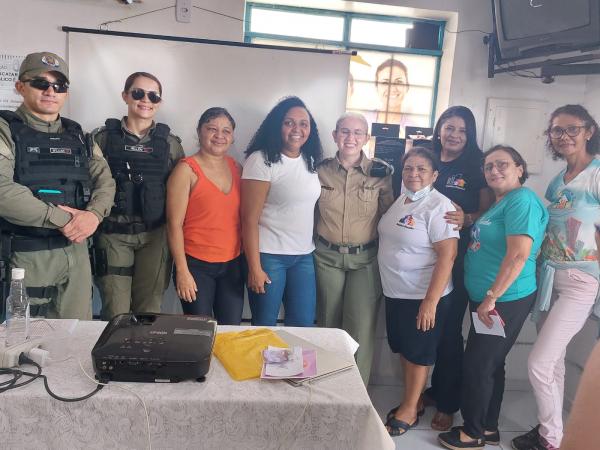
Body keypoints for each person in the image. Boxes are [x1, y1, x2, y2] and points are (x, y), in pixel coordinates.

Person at [438, 145, 548, 450]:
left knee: (477, 364)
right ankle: (488, 427)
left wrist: (491, 297)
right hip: (488, 298)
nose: (494, 171)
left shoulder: (522, 201)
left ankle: (471, 433)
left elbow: (518, 255)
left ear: (520, 168)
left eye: (502, 165)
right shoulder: (502, 202)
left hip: (504, 299)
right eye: (488, 167)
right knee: (491, 364)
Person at [0, 51, 115, 319]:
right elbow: (2, 190)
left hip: (76, 252)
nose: (51, 91)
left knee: (78, 335)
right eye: (41, 83)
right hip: (27, 254)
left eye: (59, 86)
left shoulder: (80, 135)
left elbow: (105, 182)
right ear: (20, 87)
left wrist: (94, 216)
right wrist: (64, 219)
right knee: (23, 345)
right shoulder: (5, 130)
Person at [511, 105, 600, 450]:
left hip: (580, 280)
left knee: (539, 362)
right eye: (556, 131)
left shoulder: (595, 174)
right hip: (548, 275)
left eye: (571, 129)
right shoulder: (557, 179)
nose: (563, 137)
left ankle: (551, 440)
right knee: (555, 362)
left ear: (589, 131)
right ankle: (553, 431)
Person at [421, 106, 494, 431]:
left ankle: (448, 403)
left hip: (457, 262)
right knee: (423, 329)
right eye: (449, 128)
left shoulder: (476, 167)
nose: (454, 135)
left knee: (448, 332)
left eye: (462, 131)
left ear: (470, 136)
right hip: (419, 262)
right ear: (439, 129)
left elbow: (489, 210)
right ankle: (427, 391)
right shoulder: (426, 159)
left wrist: (469, 218)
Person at [378, 147, 459, 436]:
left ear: (434, 175)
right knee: (404, 348)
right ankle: (414, 401)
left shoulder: (439, 206)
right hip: (397, 292)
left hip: (422, 296)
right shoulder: (403, 199)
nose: (414, 174)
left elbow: (447, 256)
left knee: (419, 354)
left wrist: (430, 302)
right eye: (409, 168)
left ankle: (410, 411)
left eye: (421, 169)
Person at [92, 72, 184, 320]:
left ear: (159, 102)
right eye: (138, 93)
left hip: (155, 237)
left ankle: (145, 358)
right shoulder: (101, 138)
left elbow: (181, 193)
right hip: (113, 235)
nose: (146, 100)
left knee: (150, 312)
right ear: (125, 96)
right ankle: (114, 359)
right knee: (116, 313)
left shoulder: (171, 144)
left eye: (153, 95)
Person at [314, 112, 394, 384]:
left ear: (366, 138)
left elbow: (389, 215)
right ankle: (327, 384)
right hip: (326, 257)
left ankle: (356, 391)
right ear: (335, 135)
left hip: (365, 259)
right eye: (345, 131)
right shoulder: (318, 170)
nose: (351, 138)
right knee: (327, 323)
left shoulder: (381, 173)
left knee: (360, 327)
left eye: (357, 132)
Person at [241, 96, 322, 326]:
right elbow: (248, 220)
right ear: (277, 126)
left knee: (304, 326)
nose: (297, 129)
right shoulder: (261, 160)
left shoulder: (311, 160)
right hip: (269, 257)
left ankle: (294, 365)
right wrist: (254, 267)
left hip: (304, 256)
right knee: (265, 326)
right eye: (289, 122)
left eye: (303, 124)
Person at [166, 107, 244, 324]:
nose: (219, 135)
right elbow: (173, 225)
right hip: (196, 267)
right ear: (199, 132)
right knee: (199, 333)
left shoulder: (237, 168)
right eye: (212, 129)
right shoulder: (186, 170)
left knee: (231, 332)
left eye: (226, 131)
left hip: (232, 265)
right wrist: (182, 271)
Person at [375, 58, 409, 126]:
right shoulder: (363, 121)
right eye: (385, 83)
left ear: (407, 87)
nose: (392, 89)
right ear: (376, 87)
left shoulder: (413, 127)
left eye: (399, 82)